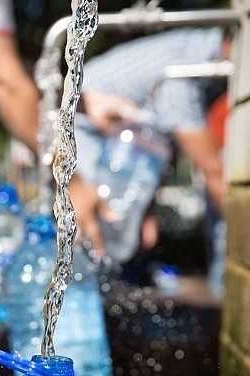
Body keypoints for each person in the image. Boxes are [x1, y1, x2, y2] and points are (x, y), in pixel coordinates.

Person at [73, 27, 231, 256]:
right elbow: (212, 169)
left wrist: (146, 209)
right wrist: (246, 236)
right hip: (80, 126)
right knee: (90, 224)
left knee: (105, 230)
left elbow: (157, 149)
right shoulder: (182, 69)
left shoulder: (191, 53)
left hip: (108, 134)